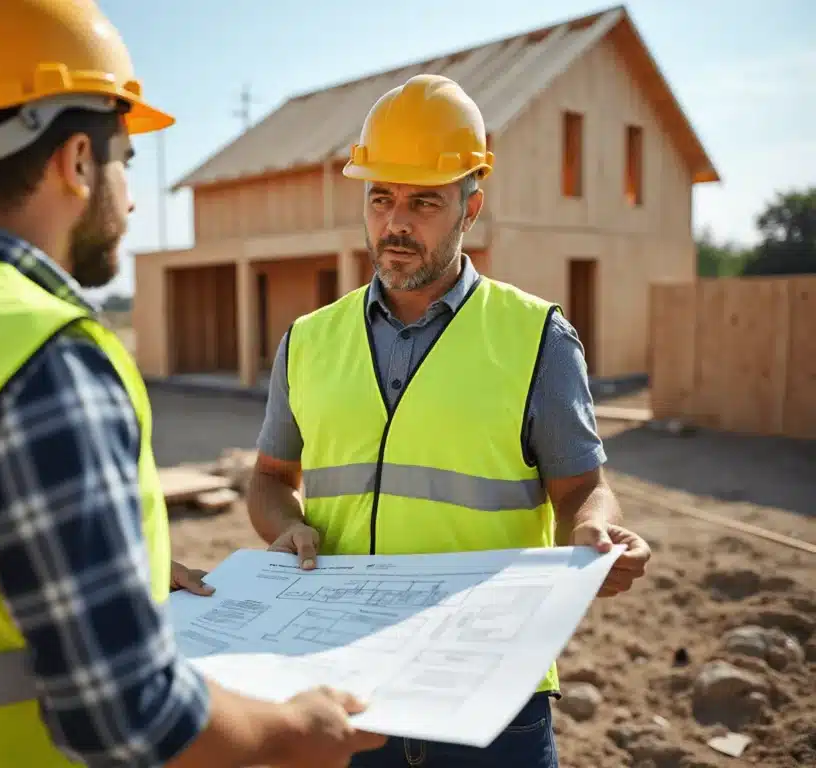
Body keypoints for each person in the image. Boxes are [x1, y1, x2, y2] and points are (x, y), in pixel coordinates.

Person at [0, 1, 387, 766]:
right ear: (78, 161)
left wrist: (128, 572)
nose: (129, 198)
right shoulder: (46, 357)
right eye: (126, 160)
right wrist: (293, 732)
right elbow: (125, 713)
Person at [245, 73, 653, 767]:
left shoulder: (538, 338)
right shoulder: (307, 341)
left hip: (490, 695)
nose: (396, 223)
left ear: (471, 206)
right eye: (381, 198)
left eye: (423, 201)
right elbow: (269, 478)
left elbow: (583, 487)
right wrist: (286, 524)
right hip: (343, 685)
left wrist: (592, 526)